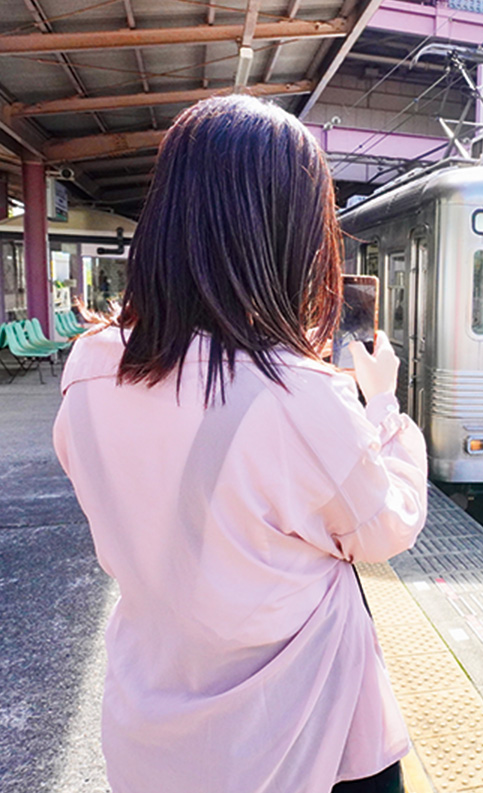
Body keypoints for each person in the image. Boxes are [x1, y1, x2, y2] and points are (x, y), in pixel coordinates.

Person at [52, 95, 428, 793]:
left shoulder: (90, 366)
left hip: (151, 726)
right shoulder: (297, 394)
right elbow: (384, 525)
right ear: (290, 234)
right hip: (301, 734)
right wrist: (378, 403)